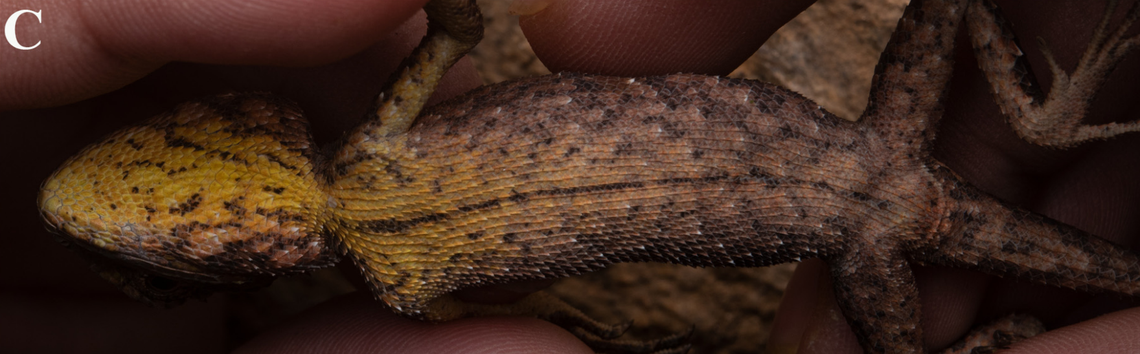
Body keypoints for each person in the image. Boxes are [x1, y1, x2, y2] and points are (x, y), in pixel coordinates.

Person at [2, 0, 1136, 353]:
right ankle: (1041, 111)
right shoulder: (383, 144)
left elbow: (550, 308)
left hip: (869, 227)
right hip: (875, 172)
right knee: (952, 3)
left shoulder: (404, 290)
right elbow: (455, 23)